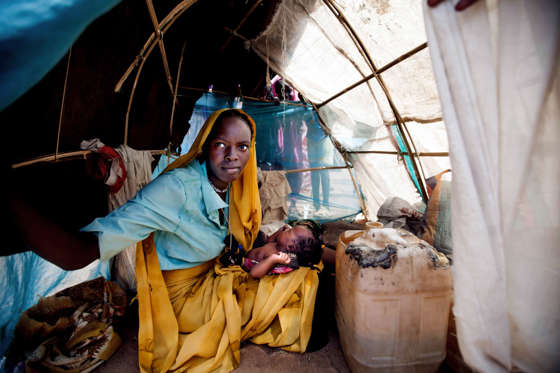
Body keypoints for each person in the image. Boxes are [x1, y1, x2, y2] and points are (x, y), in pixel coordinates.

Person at [8, 108, 322, 372]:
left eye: (243, 147)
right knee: (280, 292)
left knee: (298, 272)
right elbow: (77, 254)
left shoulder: (237, 187)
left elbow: (244, 234)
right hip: (183, 301)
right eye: (221, 144)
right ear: (205, 145)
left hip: (211, 277)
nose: (233, 157)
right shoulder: (176, 190)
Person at [221, 220, 323, 279]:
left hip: (247, 265)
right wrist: (280, 231)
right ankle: (237, 247)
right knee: (259, 236)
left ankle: (234, 258)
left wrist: (272, 260)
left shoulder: (278, 259)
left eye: (290, 231)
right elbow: (267, 242)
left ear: (290, 247)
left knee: (237, 260)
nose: (287, 228)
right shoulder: (279, 244)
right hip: (250, 251)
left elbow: (254, 273)